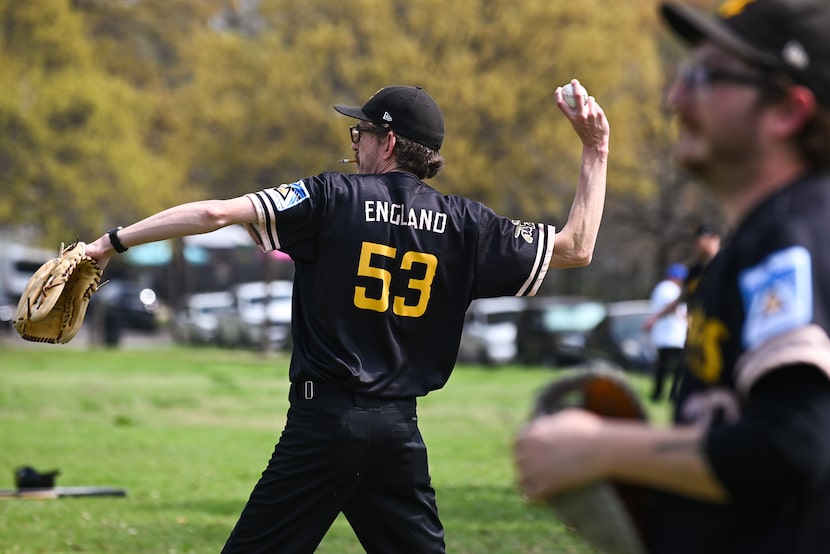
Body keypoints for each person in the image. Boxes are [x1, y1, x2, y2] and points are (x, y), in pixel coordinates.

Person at [83, 82, 610, 552]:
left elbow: (214, 213)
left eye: (362, 132)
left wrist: (108, 243)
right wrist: (595, 149)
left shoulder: (330, 197)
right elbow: (576, 247)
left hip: (324, 425)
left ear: (390, 142)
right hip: (398, 434)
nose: (354, 142)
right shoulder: (466, 224)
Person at [514, 1, 830, 553]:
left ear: (786, 111)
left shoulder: (792, 237)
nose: (676, 99)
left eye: (707, 77)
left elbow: (795, 445)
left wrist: (607, 449)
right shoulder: (767, 235)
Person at [647, 262, 688, 402]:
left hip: (665, 335)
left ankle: (659, 394)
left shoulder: (661, 288)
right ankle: (671, 395)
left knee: (663, 367)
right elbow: (673, 307)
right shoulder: (669, 288)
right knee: (676, 369)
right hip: (673, 334)